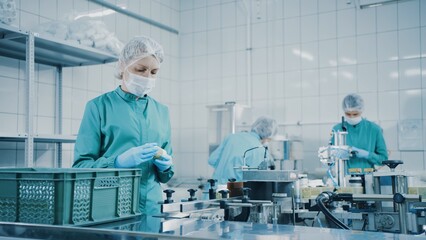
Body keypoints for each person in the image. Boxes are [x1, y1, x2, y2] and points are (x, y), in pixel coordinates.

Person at [73, 36, 174, 215]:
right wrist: (117, 162)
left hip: (151, 209)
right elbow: (81, 167)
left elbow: (165, 174)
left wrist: (165, 167)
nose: (147, 77)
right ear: (122, 66)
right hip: (110, 207)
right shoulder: (99, 107)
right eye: (141, 69)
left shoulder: (161, 111)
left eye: (153, 72)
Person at [208, 116, 278, 184]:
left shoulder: (231, 137)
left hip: (213, 189)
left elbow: (212, 160)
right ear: (268, 136)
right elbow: (255, 178)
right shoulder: (260, 150)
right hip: (234, 192)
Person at [332, 93, 388, 174]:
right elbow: (331, 156)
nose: (351, 117)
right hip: (344, 179)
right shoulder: (337, 129)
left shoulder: (374, 129)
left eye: (355, 114)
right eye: (348, 114)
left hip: (367, 178)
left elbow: (383, 159)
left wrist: (368, 155)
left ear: (361, 111)